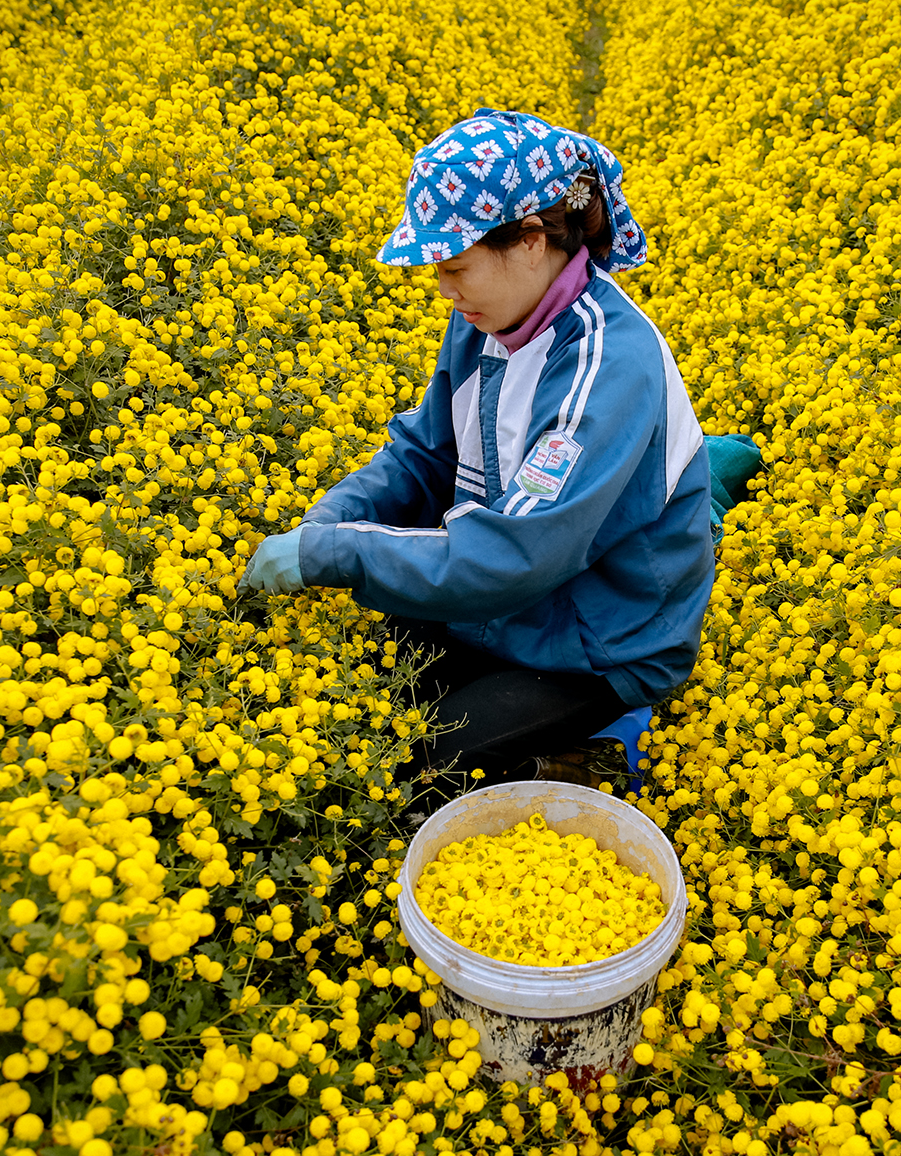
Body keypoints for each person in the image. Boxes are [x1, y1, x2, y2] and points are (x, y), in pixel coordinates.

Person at [241, 107, 715, 803]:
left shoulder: (606, 365)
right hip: (512, 604)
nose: (445, 290)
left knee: (423, 764)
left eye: (457, 267)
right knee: (361, 689)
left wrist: (336, 553)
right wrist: (332, 519)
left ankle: (590, 751)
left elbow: (517, 554)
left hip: (601, 637)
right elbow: (424, 455)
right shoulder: (488, 319)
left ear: (529, 241)